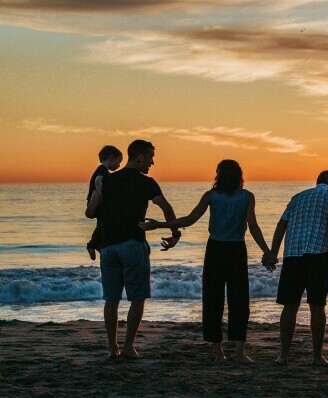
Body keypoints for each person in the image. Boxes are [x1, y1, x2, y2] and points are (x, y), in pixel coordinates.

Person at [139, 160, 272, 363]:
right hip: (236, 250)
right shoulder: (246, 196)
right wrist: (267, 251)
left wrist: (160, 225)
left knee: (213, 300)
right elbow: (253, 227)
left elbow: (189, 220)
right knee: (239, 301)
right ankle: (239, 353)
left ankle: (218, 352)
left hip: (216, 250)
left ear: (219, 175)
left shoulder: (212, 195)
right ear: (239, 175)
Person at [85, 139, 181, 360]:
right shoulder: (146, 183)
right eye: (150, 157)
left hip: (108, 247)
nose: (152, 162)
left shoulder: (105, 180)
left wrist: (99, 191)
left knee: (111, 299)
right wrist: (175, 234)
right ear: (140, 157)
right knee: (137, 298)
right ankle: (128, 347)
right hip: (133, 244)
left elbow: (91, 213)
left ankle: (112, 348)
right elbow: (166, 207)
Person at [264, 170, 328, 366]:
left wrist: (273, 252)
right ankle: (317, 356)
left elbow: (281, 225)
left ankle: (283, 355)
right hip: (319, 254)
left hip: (293, 254)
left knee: (290, 306)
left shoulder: (297, 197)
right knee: (317, 305)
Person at [86, 145, 123, 261]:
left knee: (102, 224)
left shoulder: (102, 170)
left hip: (97, 202)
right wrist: (105, 197)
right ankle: (92, 245)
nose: (119, 165)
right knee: (103, 223)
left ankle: (96, 244)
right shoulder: (103, 170)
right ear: (111, 158)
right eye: (118, 161)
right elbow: (98, 182)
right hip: (97, 203)